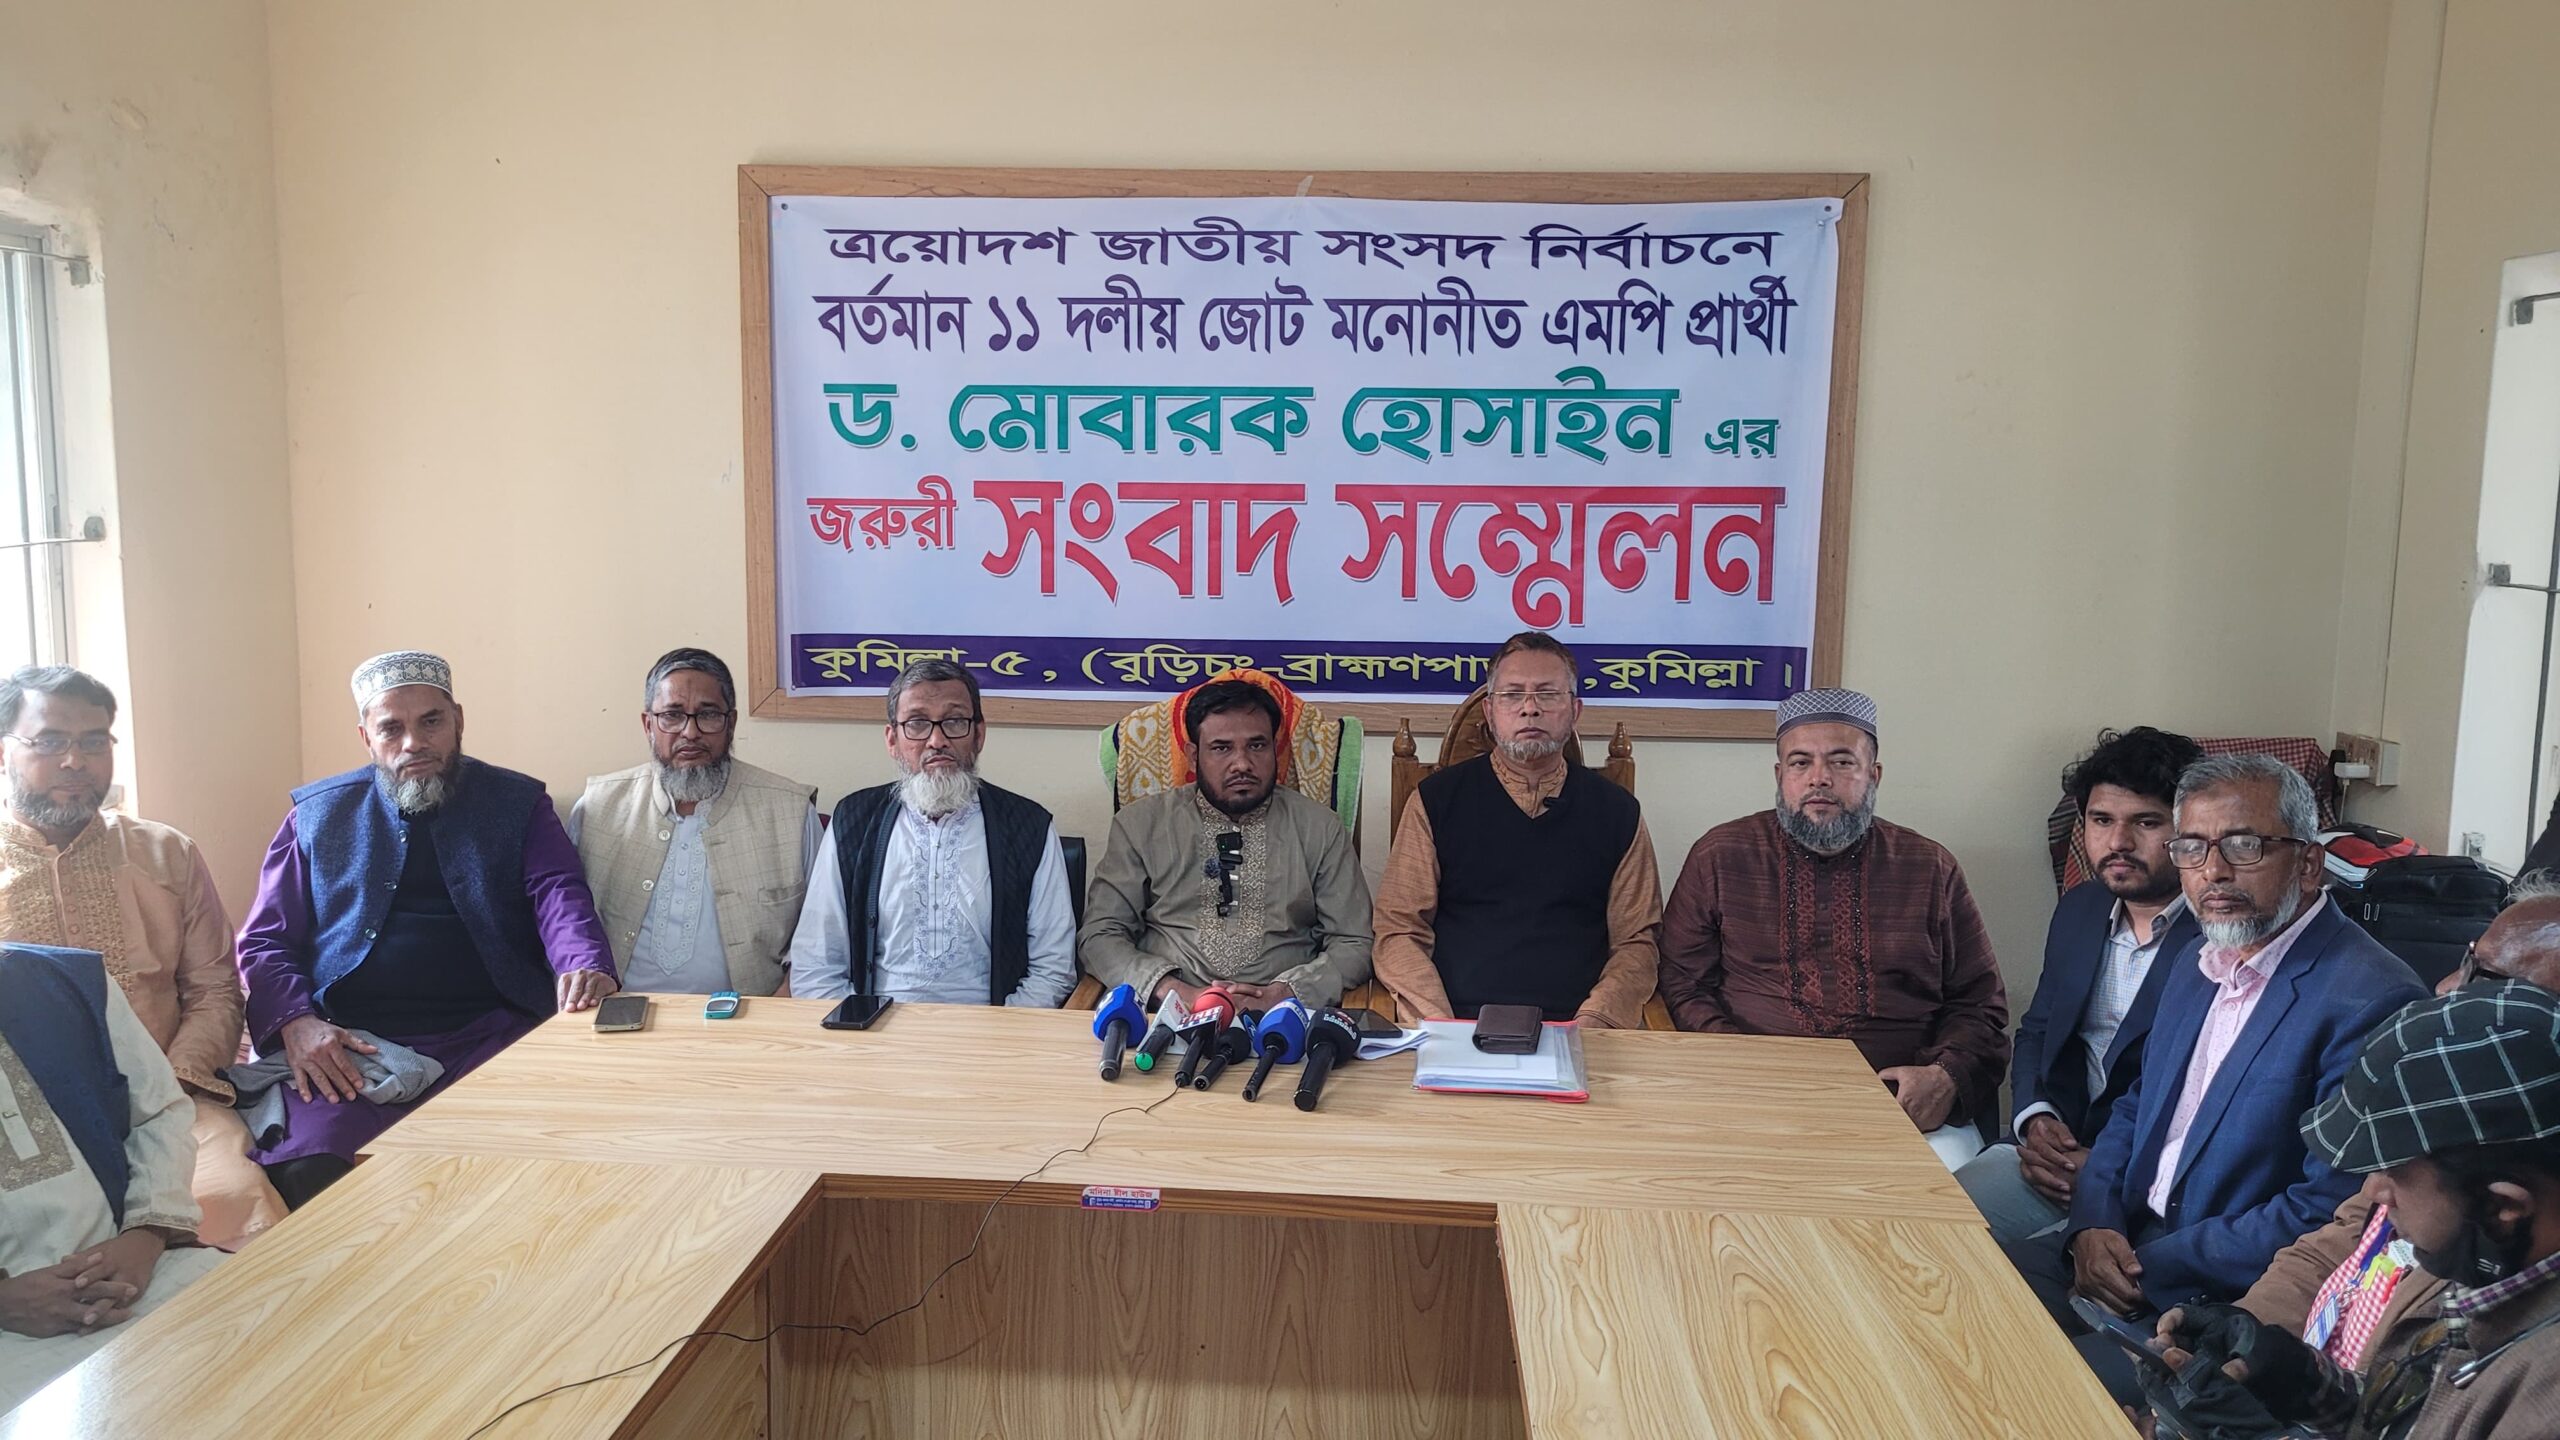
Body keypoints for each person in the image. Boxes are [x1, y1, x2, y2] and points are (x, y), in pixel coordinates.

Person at [2004, 752, 2426, 1403]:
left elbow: (2328, 1208)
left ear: (2309, 863)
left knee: (2030, 1389)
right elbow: (2138, 1103)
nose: (2214, 871)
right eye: (2193, 848)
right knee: (1956, 1296)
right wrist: (2092, 1221)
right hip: (2124, 1240)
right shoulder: (2201, 959)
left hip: (2221, 1294)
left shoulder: (2371, 998)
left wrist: (2147, 1265)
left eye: (2244, 846)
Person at [235, 651, 617, 1207]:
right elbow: (265, 939)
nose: (413, 742)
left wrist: (583, 962)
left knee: (516, 1168)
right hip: (350, 1043)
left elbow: (558, 891)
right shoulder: (315, 814)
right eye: (392, 728)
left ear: (458, 720)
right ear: (366, 737)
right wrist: (295, 1022)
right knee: (310, 1167)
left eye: (431, 721)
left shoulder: (518, 804)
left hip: (490, 1034)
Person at [2142, 980, 2560, 1439]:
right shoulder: (2491, 1256)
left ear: (2502, 1206)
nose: (2374, 1190)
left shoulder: (2544, 1406)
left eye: (2394, 1173)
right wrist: (2291, 1375)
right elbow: (2406, 1420)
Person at [2217, 880, 2560, 1411]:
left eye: (2494, 987)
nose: (2446, 987)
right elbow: (2331, 1246)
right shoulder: (2428, 1128)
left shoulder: (2488, 1195)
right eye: (2470, 961)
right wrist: (2245, 1347)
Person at [1658, 687, 2010, 1168]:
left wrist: (1944, 1076)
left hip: (1901, 1111)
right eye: (1800, 762)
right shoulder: (1721, 855)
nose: (1819, 778)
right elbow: (1682, 981)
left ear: (1874, 775)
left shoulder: (1930, 867)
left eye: (1842, 762)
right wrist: (1737, 1060)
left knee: (1946, 1199)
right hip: (1751, 1098)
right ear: (1780, 776)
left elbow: (1980, 1004)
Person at [0, 666, 287, 1249]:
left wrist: (172, 1088)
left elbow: (214, 990)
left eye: (93, 741)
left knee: (243, 1219)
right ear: (5, 751)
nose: (75, 761)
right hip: (23, 1130)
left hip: (172, 1108)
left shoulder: (165, 853)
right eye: (50, 741)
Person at [1959, 727, 2203, 1239]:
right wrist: (2035, 1119)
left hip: (2156, 1188)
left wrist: (2109, 1166)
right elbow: (2036, 1030)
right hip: (2052, 1161)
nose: (2118, 843)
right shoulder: (2080, 908)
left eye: (2146, 822)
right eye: (2101, 820)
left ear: (2192, 831)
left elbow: (2212, 1099)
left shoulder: (2222, 938)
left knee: (2011, 1269)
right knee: (1922, 1222)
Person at [1370, 632, 1660, 1028]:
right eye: (1512, 695)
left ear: (1575, 711)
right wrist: (1440, 1024)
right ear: (1489, 713)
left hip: (1577, 1028)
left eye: (1547, 694)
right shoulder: (1435, 801)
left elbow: (1636, 943)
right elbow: (1399, 931)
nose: (1530, 708)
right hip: (1458, 1023)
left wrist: (1594, 1022)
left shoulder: (1617, 811)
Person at [0, 943, 226, 1414]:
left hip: (141, 1273)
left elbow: (159, 1113)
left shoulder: (69, 981)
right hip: (11, 1335)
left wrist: (145, 1236)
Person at [787, 657, 1074, 1007]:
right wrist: (860, 1029)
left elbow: (1053, 968)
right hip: (873, 1028)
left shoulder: (1029, 825)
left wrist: (1001, 1032)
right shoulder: (854, 822)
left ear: (979, 735)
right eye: (917, 723)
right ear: (892, 740)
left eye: (954, 721)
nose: (937, 740)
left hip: (995, 1029)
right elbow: (816, 965)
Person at [1082, 678, 1373, 1010]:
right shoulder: (1140, 825)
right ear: (1193, 756)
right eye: (1222, 748)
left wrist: (1286, 993)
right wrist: (1172, 990)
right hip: (1166, 1014)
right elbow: (1100, 935)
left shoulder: (1320, 827)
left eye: (1257, 745)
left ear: (1276, 750)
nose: (1242, 764)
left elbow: (1354, 941)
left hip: (1285, 1017)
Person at [568, 648, 819, 996]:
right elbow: (566, 919)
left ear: (731, 724)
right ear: (648, 725)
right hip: (617, 1012)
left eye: (708, 715)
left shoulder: (790, 810)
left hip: (749, 1016)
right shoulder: (598, 808)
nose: (690, 732)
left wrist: (780, 1011)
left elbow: (820, 938)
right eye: (672, 716)